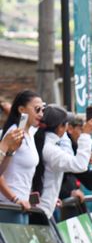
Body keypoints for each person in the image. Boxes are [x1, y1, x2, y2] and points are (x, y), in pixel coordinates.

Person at [31, 105, 92, 219]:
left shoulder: (44, 142)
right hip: (41, 211)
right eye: (65, 124)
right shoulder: (50, 149)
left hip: (42, 207)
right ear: (60, 128)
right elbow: (80, 165)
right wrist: (86, 134)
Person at [0, 90, 44, 222]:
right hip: (10, 205)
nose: (41, 114)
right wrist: (15, 198)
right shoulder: (14, 133)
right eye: (37, 109)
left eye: (43, 110)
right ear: (21, 109)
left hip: (23, 205)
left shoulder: (28, 132)